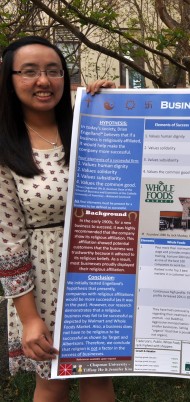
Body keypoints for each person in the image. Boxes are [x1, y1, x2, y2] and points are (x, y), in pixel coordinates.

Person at [0, 36, 116, 401]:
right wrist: (29, 317)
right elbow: (9, 240)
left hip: (101, 266)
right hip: (45, 276)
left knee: (98, 376)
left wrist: (118, 105)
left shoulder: (90, 122)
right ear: (9, 78)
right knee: (52, 380)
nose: (43, 81)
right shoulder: (5, 148)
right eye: (29, 72)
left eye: (53, 71)